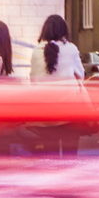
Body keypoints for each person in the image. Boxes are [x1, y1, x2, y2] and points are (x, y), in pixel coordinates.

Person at [27, 14, 85, 155]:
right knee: (70, 157)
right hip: (69, 115)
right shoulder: (71, 49)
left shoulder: (36, 52)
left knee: (49, 157)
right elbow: (81, 76)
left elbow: (33, 80)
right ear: (64, 31)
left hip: (45, 114)